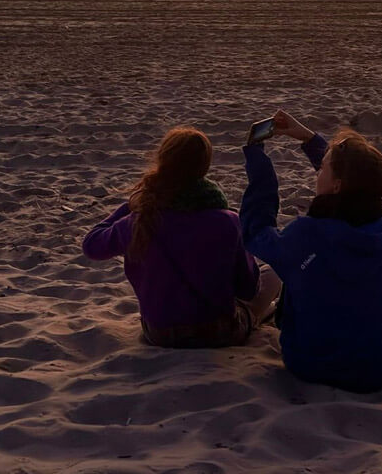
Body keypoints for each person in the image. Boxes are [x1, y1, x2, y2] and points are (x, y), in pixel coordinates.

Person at [240, 110, 382, 393]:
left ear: (337, 185)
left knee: (287, 270)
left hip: (312, 364)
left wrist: (258, 164)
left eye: (323, 168)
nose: (318, 173)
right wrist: (307, 138)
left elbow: (256, 233)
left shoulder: (308, 235)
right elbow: (355, 183)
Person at [84, 127, 281, 348]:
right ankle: (261, 315)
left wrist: (133, 204)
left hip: (158, 333)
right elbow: (248, 288)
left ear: (162, 161)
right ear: (204, 167)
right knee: (273, 273)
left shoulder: (139, 221)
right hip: (218, 332)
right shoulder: (228, 221)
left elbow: (92, 245)